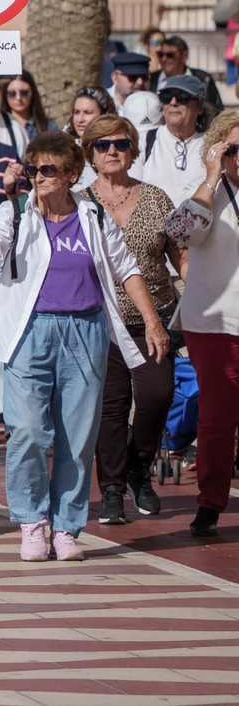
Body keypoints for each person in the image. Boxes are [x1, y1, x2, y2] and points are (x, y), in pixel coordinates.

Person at [0, 131, 169, 560]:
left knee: (77, 435)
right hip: (31, 331)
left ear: (71, 175)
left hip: (86, 330)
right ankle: (31, 520)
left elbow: (126, 267)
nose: (37, 177)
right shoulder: (13, 213)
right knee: (27, 431)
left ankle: (66, 527)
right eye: (32, 169)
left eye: (47, 169)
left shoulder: (92, 215)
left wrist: (153, 321)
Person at [77, 115, 183, 525]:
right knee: (111, 407)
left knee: (158, 396)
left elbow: (179, 255)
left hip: (153, 315)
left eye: (120, 143)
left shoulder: (157, 199)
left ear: (133, 149)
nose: (111, 152)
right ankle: (112, 489)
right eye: (102, 145)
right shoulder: (79, 202)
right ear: (90, 153)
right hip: (100, 321)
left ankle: (140, 470)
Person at [164, 108, 239, 538]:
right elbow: (180, 230)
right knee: (217, 418)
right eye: (234, 148)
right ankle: (211, 503)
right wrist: (211, 177)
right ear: (218, 150)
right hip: (214, 324)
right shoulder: (209, 193)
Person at [130, 73, 209, 204]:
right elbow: (130, 193)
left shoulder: (211, 144)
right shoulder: (144, 141)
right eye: (166, 97)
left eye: (182, 98)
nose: (173, 103)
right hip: (152, 223)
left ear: (199, 107)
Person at [152, 34, 224, 111]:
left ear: (184, 56)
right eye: (161, 55)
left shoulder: (204, 79)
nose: (164, 59)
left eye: (170, 55)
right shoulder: (151, 79)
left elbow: (216, 111)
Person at [0, 71, 56, 154]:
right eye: (12, 93)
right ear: (5, 94)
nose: (18, 97)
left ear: (33, 92)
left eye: (24, 92)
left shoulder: (49, 126)